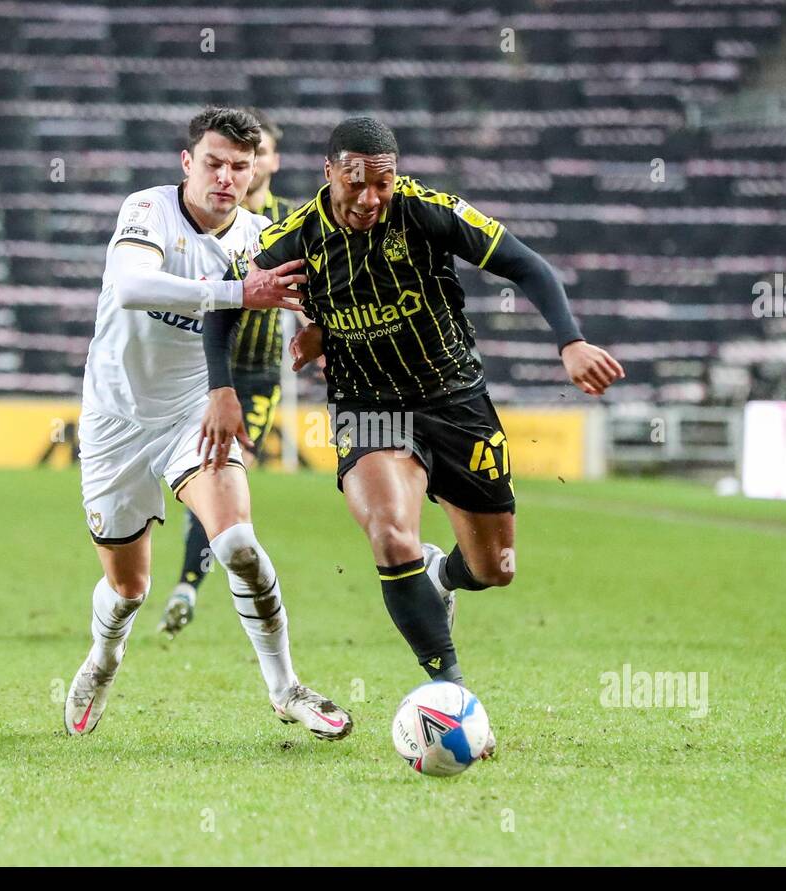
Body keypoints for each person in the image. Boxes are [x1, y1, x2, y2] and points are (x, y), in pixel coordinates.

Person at [201, 117, 623, 754]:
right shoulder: (296, 236)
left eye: (383, 183)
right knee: (391, 532)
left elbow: (529, 267)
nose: (371, 198)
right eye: (356, 184)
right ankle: (450, 692)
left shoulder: (428, 211)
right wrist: (223, 389)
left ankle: (444, 579)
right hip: (368, 406)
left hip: (455, 401)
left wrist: (570, 342)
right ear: (328, 176)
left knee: (495, 568)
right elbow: (223, 307)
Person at [63, 107, 351, 741]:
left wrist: (319, 330)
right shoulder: (148, 210)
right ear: (187, 163)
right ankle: (103, 659)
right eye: (214, 163)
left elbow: (310, 294)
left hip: (193, 414)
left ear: (256, 171)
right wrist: (234, 295)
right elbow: (132, 286)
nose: (226, 178)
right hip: (115, 419)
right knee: (130, 588)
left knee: (239, 547)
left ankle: (285, 687)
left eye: (240, 167)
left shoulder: (258, 234)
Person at [156, 107, 297, 637]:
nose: (242, 168)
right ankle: (185, 583)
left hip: (257, 376)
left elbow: (307, 290)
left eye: (254, 156)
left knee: (221, 472)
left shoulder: (288, 224)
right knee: (208, 476)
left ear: (270, 161)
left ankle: (188, 584)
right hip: (200, 369)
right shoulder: (199, 219)